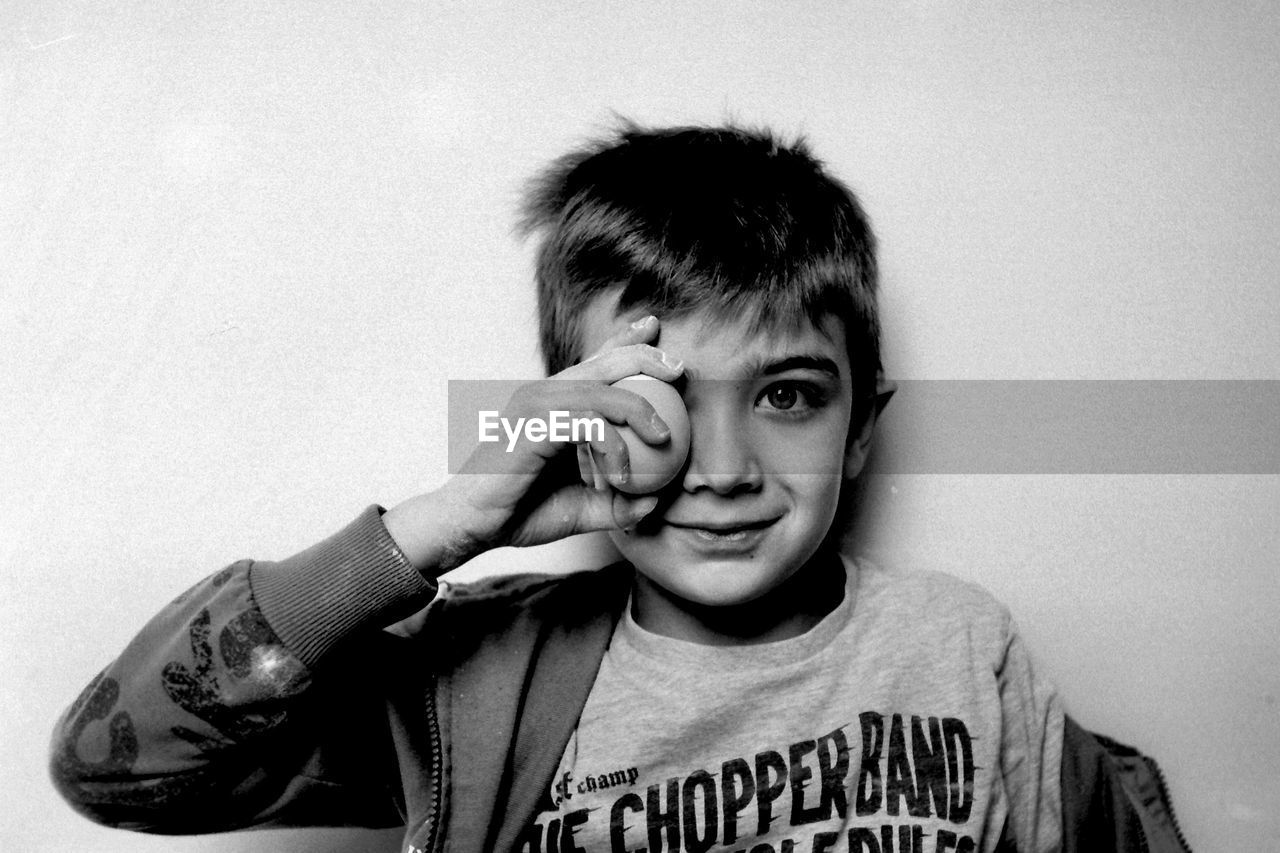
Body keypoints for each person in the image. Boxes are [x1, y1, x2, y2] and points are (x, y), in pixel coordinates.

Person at [50, 123, 1189, 853]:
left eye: (788, 395)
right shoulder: (486, 678)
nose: (726, 466)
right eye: (659, 398)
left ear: (859, 432)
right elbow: (124, 773)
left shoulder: (960, 648)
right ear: (574, 415)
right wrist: (433, 531)